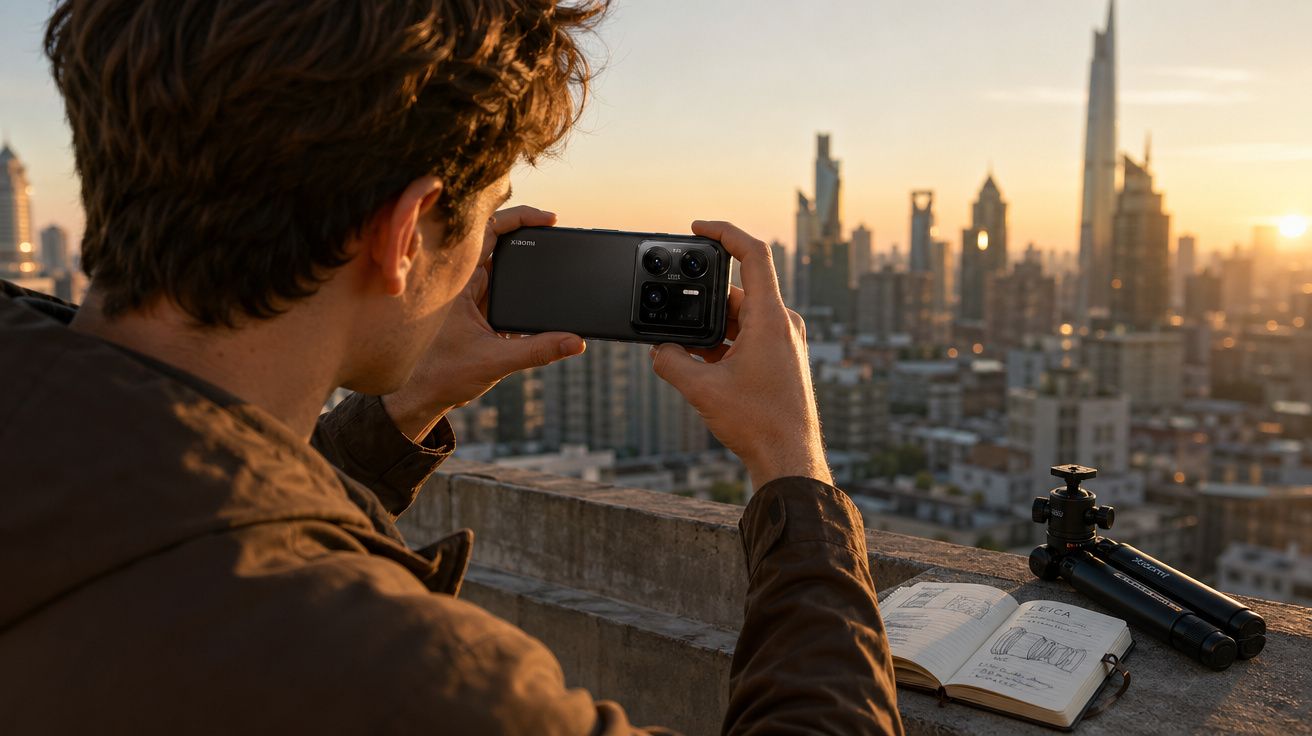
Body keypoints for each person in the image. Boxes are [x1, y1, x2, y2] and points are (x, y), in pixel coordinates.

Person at [0, 0, 902, 733]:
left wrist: (406, 402)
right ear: (403, 234)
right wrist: (795, 469)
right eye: (486, 211)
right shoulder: (401, 677)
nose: (480, 250)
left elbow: (170, 515)